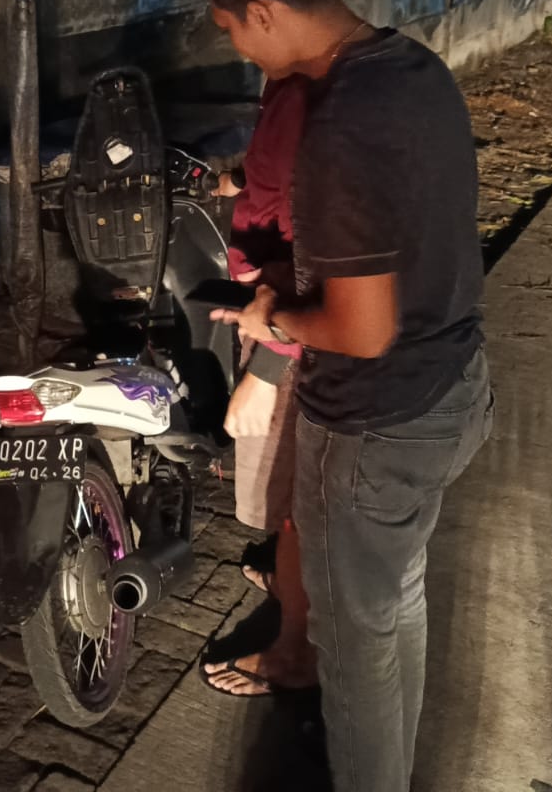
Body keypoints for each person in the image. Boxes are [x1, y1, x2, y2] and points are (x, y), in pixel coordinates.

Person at [196, 0, 492, 792]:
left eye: (227, 26)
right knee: (394, 605)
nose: (232, 44)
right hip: (452, 385)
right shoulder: (412, 67)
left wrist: (273, 322)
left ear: (262, 11)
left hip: (376, 423)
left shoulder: (341, 123)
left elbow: (362, 330)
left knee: (354, 656)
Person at [198, 72, 316, 698]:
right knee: (290, 491)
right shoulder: (290, 87)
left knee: (299, 502)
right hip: (274, 313)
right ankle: (292, 583)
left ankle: (297, 649)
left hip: (291, 328)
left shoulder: (311, 93)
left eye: (231, 26)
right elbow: (273, 176)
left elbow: (313, 256)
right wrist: (234, 183)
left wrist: (267, 366)